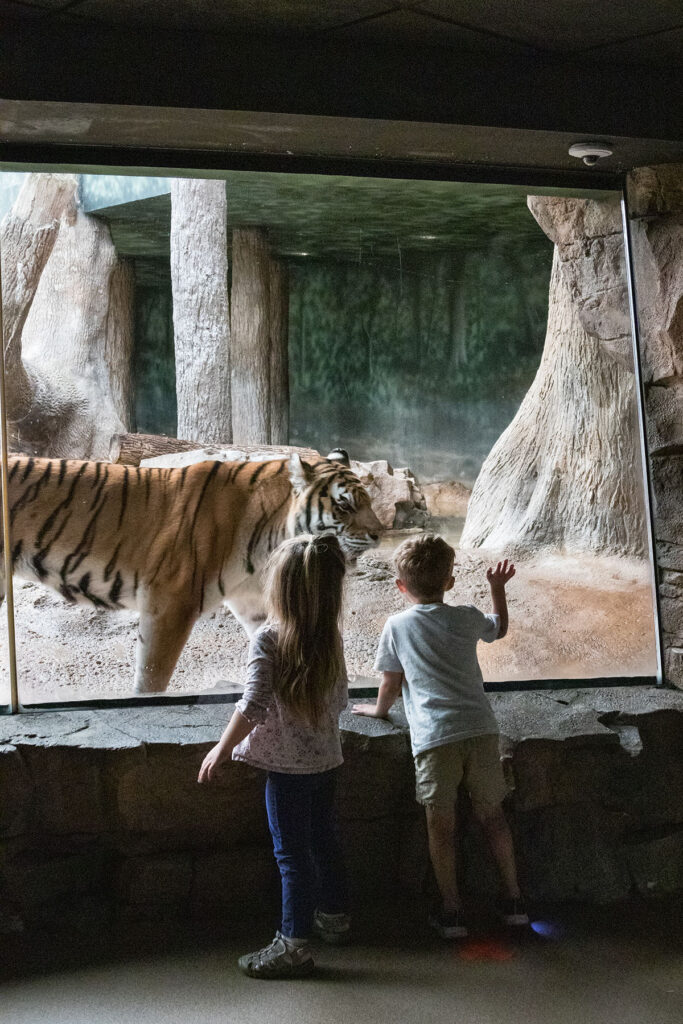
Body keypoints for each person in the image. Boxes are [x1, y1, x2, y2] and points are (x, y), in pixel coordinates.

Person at [353, 533, 527, 939]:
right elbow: (498, 629)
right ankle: (514, 899)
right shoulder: (466, 615)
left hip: (435, 738)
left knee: (441, 826)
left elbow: (390, 684)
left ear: (400, 586)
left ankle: (452, 911)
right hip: (481, 730)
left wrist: (378, 712)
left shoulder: (396, 625)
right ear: (449, 581)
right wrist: (497, 588)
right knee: (494, 817)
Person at [198, 533, 350, 979]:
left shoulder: (269, 638)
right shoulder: (330, 635)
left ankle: (293, 945)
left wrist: (222, 748)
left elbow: (253, 704)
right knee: (324, 841)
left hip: (287, 770)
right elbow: (339, 699)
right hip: (327, 761)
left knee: (291, 856)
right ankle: (336, 918)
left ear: (280, 589)